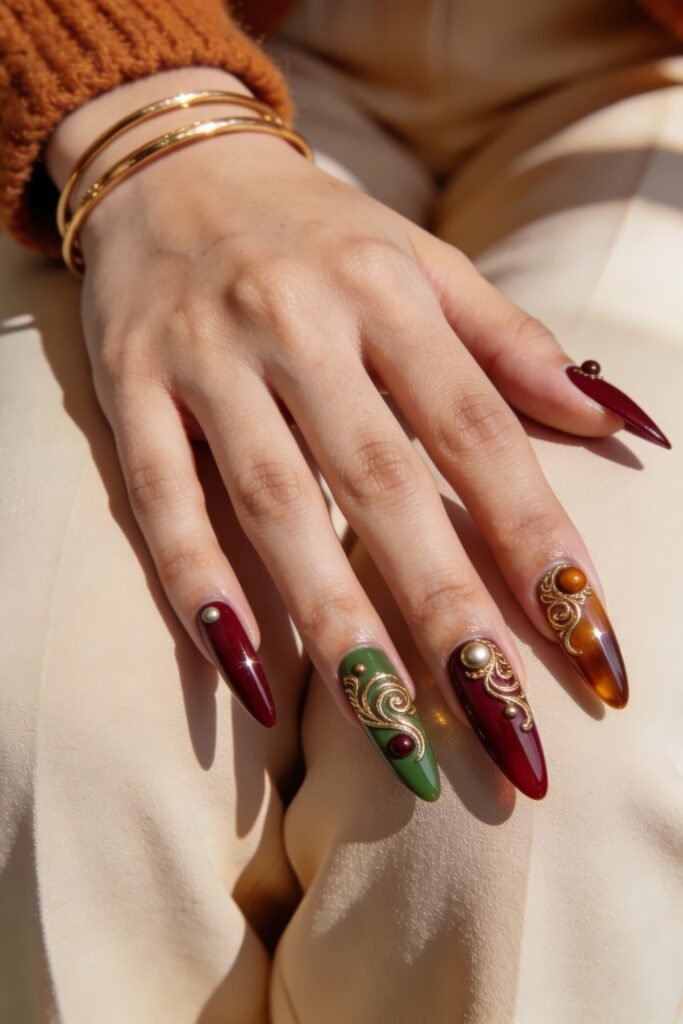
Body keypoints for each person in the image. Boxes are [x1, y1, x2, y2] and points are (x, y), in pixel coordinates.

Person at [0, 1, 681, 1020]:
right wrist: (135, 119)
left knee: (548, 805)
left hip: (641, 73)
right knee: (54, 738)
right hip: (153, 63)